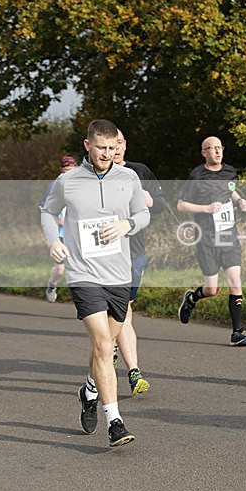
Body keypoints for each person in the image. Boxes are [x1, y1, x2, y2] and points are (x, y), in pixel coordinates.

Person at [40, 119, 150, 447]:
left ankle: (89, 389)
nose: (107, 154)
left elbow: (143, 214)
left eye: (112, 148)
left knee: (106, 344)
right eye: (100, 148)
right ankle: (114, 420)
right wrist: (52, 242)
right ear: (88, 145)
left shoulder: (128, 177)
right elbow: (47, 212)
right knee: (104, 345)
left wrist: (126, 224)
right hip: (83, 273)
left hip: (119, 273)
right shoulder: (69, 181)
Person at [176, 136, 246, 346]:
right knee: (212, 290)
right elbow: (181, 205)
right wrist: (205, 209)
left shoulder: (230, 171)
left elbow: (230, 190)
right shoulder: (196, 175)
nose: (217, 152)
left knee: (235, 281)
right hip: (207, 238)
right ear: (204, 153)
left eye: (219, 148)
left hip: (228, 236)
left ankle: (237, 333)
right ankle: (192, 298)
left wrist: (240, 202)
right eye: (212, 149)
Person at [109, 128, 165, 395]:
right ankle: (134, 372)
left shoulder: (139, 171)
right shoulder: (95, 176)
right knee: (123, 311)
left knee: (122, 310)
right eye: (110, 144)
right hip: (105, 255)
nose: (116, 148)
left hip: (134, 252)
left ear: (125, 144)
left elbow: (162, 203)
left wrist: (152, 200)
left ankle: (113, 349)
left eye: (119, 142)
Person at [42, 156, 79, 302]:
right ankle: (52, 285)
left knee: (78, 269)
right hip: (60, 234)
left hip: (76, 235)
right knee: (60, 269)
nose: (68, 175)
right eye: (65, 171)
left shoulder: (82, 185)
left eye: (71, 171)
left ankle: (84, 302)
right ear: (60, 171)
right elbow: (45, 210)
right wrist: (58, 220)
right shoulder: (54, 185)